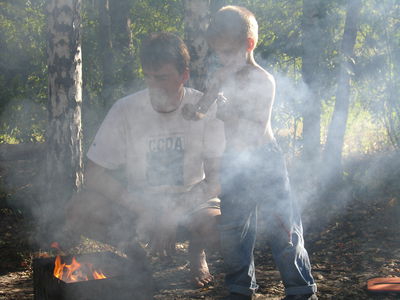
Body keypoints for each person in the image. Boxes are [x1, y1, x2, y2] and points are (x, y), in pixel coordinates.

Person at [65, 32, 225, 288]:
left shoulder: (203, 107)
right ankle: (137, 258)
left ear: (184, 75)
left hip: (191, 200)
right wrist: (145, 209)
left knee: (218, 226)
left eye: (162, 77)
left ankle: (197, 253)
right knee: (79, 209)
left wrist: (173, 213)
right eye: (148, 76)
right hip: (141, 199)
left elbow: (216, 179)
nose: (153, 85)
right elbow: (94, 172)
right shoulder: (125, 109)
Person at [182, 6, 318, 300]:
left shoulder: (262, 79)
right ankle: (240, 289)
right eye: (218, 53)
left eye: (229, 52)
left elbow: (255, 123)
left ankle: (301, 289)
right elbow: (205, 108)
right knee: (234, 230)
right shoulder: (219, 76)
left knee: (284, 228)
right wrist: (195, 112)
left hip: (264, 159)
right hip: (234, 161)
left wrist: (228, 114)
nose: (223, 58)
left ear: (249, 45)